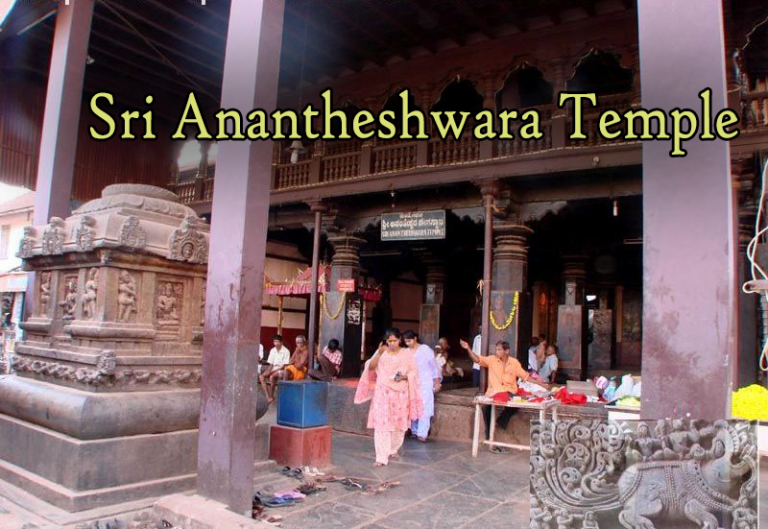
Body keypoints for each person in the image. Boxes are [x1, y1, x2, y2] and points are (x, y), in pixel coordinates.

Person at [459, 339, 548, 452]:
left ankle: (501, 422)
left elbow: (526, 377)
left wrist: (541, 384)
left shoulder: (514, 363)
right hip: (494, 392)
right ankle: (489, 435)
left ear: (507, 351)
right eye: (496, 349)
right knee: (486, 408)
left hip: (509, 392)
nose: (497, 352)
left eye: (499, 349)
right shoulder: (492, 360)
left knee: (517, 402)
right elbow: (477, 359)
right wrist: (468, 348)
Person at [354, 329, 423, 466]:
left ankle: (393, 449)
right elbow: (371, 367)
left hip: (400, 394)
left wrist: (403, 376)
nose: (392, 343)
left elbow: (414, 372)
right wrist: (379, 353)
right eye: (389, 341)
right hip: (383, 392)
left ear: (400, 340)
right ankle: (381, 457)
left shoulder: (406, 354)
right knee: (381, 424)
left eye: (394, 341)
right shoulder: (382, 353)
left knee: (399, 424)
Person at [404, 331, 442, 442]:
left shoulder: (425, 349)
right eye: (406, 341)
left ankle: (422, 433)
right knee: (413, 405)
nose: (408, 343)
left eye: (409, 341)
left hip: (425, 382)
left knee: (424, 407)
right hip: (412, 383)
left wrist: (437, 381)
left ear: (415, 338)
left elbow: (434, 366)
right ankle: (414, 431)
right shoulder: (406, 352)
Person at [262, 335, 308, 403]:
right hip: (292, 368)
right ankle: (272, 397)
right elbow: (290, 361)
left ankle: (284, 393)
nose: (298, 345)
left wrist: (295, 360)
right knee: (276, 375)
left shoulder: (305, 352)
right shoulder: (297, 349)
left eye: (300, 343)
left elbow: (299, 366)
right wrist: (295, 358)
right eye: (297, 343)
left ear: (303, 343)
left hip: (300, 371)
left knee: (284, 372)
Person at [259, 335, 291, 401]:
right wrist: (268, 371)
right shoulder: (272, 350)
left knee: (271, 377)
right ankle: (268, 397)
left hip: (280, 369)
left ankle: (272, 396)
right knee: (261, 377)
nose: (276, 343)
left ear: (281, 342)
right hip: (273, 368)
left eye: (277, 342)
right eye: (274, 342)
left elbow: (284, 366)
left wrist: (272, 372)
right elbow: (271, 364)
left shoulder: (286, 351)